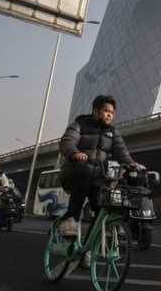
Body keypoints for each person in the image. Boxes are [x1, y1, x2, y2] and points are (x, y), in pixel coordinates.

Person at [57, 94, 137, 247]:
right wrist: (74, 153)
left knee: (103, 210)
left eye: (112, 113)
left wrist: (130, 163)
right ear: (95, 111)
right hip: (74, 172)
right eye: (106, 111)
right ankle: (70, 220)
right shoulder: (79, 125)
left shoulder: (112, 132)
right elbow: (67, 141)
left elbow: (121, 151)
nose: (109, 115)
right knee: (85, 173)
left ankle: (88, 248)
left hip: (97, 178)